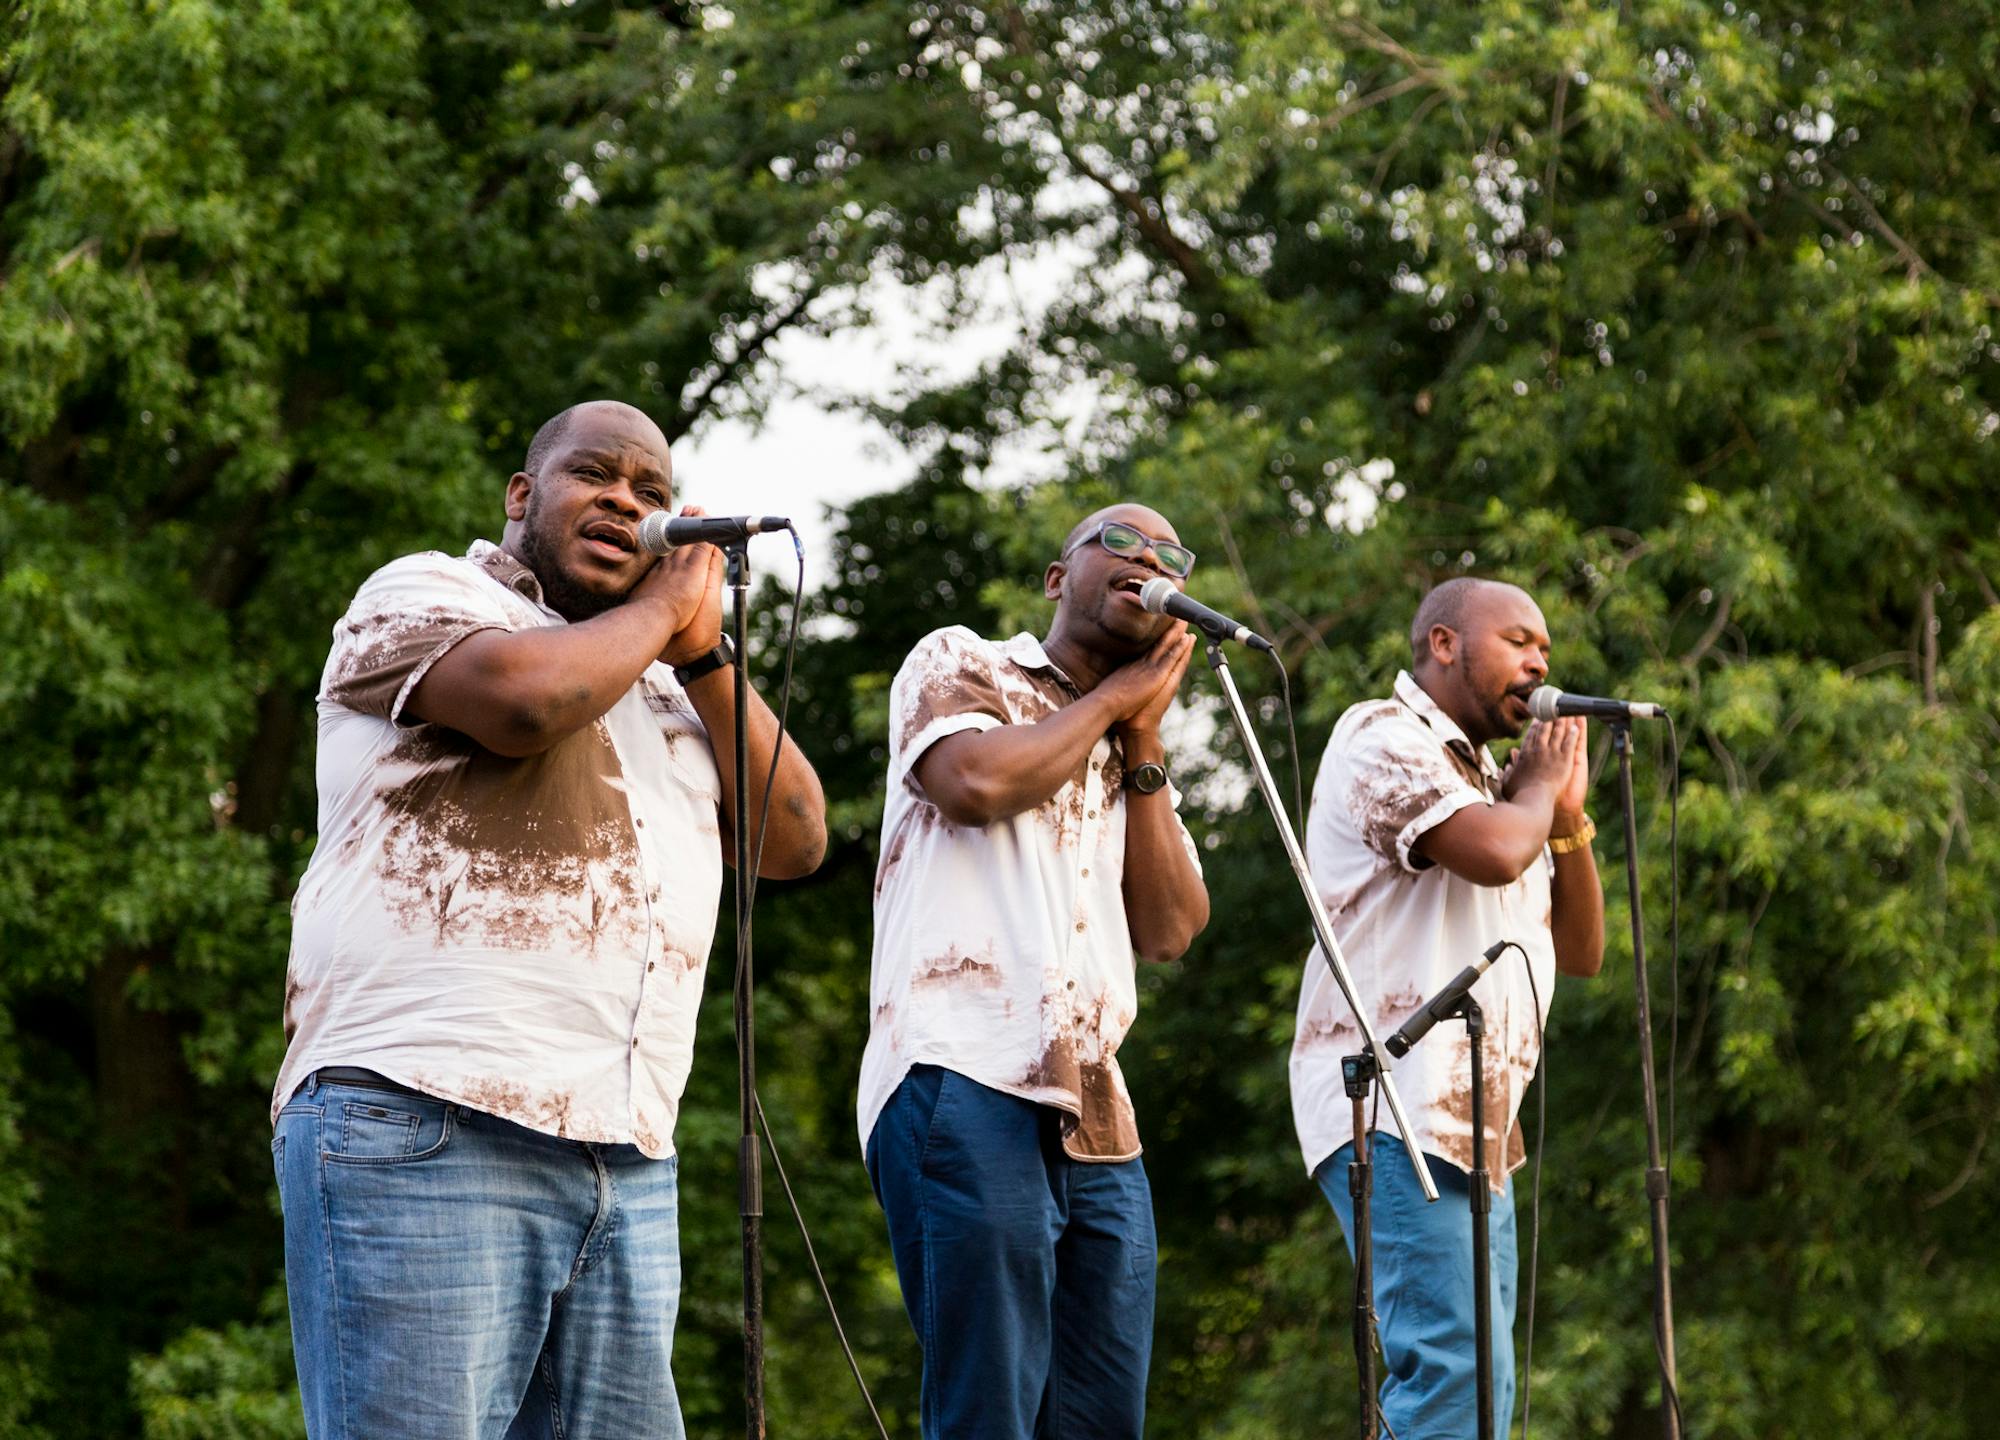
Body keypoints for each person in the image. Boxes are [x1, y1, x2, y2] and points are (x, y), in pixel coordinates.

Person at [270, 399, 826, 1439]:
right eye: (596, 476)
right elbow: (521, 705)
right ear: (524, 496)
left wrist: (705, 658)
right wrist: (666, 614)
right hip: (427, 1114)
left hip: (623, 1151)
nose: (628, 500)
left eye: (654, 492)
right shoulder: (433, 590)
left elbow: (795, 837)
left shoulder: (669, 681)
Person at [858, 503, 1212, 1438]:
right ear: (1060, 579)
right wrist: (1110, 705)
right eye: (1122, 543)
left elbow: (1172, 928)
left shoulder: (1134, 741)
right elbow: (973, 786)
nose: (1149, 560)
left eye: (1171, 554)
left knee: (1101, 1418)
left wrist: (1142, 744)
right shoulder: (965, 662)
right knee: (991, 1411)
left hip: (1101, 1116)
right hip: (965, 1069)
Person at [1287, 577, 1606, 1438]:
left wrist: (1565, 815)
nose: (1540, 661)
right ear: (1443, 645)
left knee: (1482, 1397)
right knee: (1453, 1380)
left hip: (1480, 1131)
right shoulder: (1381, 736)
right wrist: (1536, 794)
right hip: (1396, 1109)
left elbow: (1582, 952)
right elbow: (1498, 855)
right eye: (1518, 640)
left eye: (1545, 646)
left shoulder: (1501, 785)